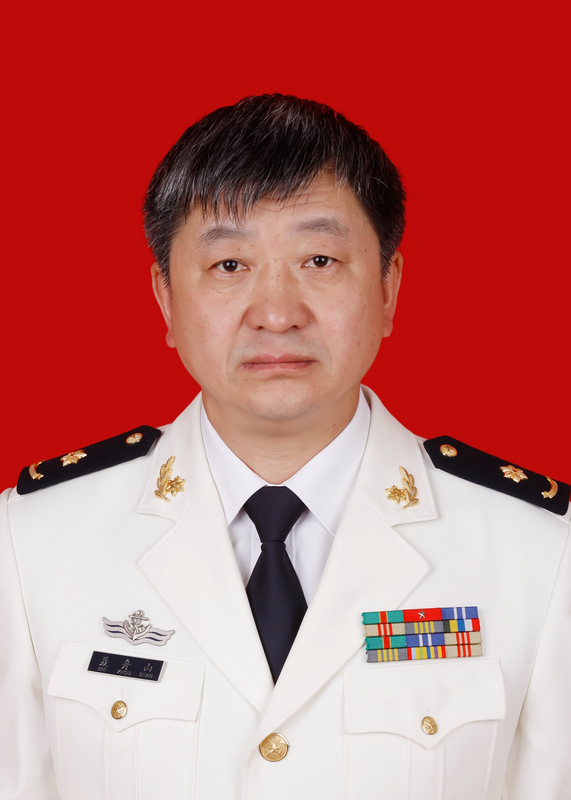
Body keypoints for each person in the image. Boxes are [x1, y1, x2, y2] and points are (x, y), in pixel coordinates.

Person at [1, 94, 569, 800]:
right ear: (165, 297)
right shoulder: (30, 542)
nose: (276, 313)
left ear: (388, 288)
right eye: (228, 265)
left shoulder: (540, 554)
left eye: (319, 259)